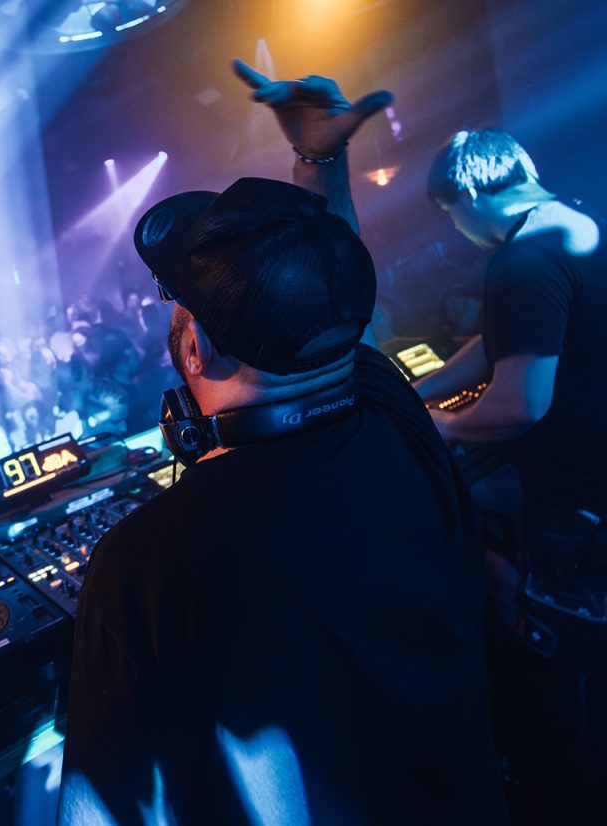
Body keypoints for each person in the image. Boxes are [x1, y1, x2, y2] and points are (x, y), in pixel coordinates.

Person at [59, 64, 506, 825]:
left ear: (195, 349)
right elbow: (334, 306)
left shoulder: (146, 562)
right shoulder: (393, 415)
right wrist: (321, 161)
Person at [419, 130, 607, 821]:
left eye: (449, 214)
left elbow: (520, 405)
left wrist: (438, 427)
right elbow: (507, 337)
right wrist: (422, 391)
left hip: (576, 505)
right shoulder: (576, 222)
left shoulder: (520, 259)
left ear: (466, 195)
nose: (455, 228)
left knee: (573, 686)